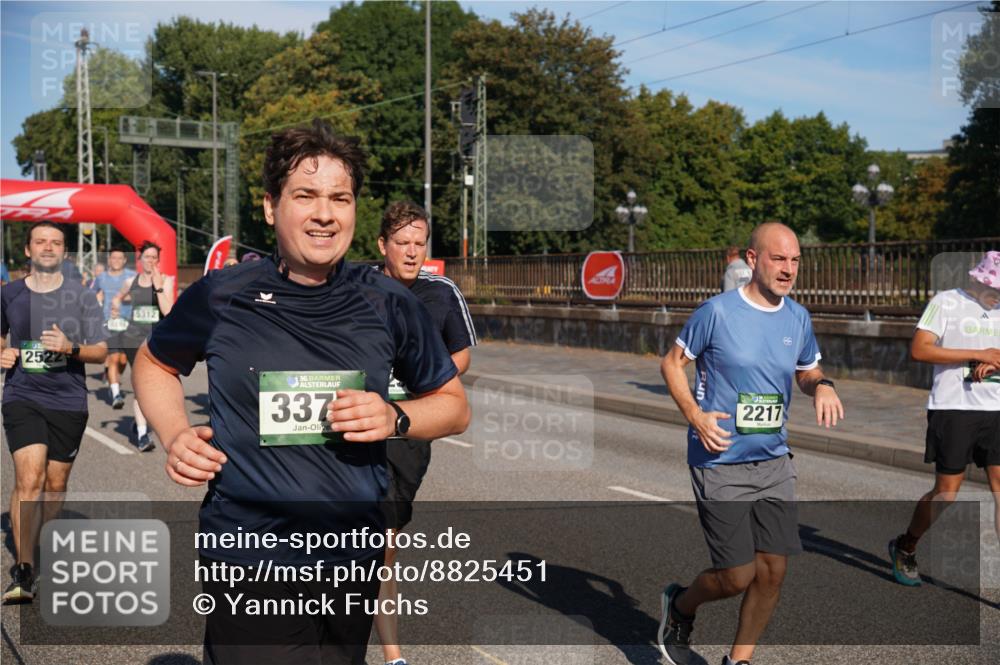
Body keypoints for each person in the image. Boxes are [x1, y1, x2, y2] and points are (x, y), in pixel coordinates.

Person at [132, 119, 470, 665]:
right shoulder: (223, 296)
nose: (324, 213)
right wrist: (174, 434)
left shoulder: (388, 302)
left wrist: (395, 418)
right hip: (250, 551)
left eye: (340, 197)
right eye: (305, 195)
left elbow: (454, 408)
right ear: (271, 207)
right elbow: (152, 363)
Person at [658, 222, 844, 665]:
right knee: (737, 575)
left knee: (773, 572)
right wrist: (695, 415)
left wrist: (823, 385)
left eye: (795, 260)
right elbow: (671, 363)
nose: (788, 269)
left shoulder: (797, 317)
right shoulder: (717, 312)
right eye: (779, 259)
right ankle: (682, 605)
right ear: (753, 259)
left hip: (774, 459)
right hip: (719, 458)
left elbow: (806, 370)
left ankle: (738, 660)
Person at [373, 201, 478, 665]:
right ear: (383, 245)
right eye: (403, 243)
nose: (413, 252)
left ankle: (388, 652)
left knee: (385, 543)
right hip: (356, 429)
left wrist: (426, 390)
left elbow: (462, 355)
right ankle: (392, 653)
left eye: (420, 243)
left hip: (409, 435)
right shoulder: (358, 287)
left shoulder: (441, 291)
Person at [1, 222, 108, 604]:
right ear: (27, 250)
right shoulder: (9, 294)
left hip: (67, 401)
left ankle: (46, 548)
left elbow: (100, 351)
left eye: (56, 242)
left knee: (55, 483)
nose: (48, 247)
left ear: (65, 251)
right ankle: (25, 569)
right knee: (29, 477)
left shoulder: (81, 297)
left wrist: (70, 348)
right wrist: (3, 354)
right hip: (21, 395)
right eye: (40, 241)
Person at [889, 250, 1000, 586]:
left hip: (996, 408)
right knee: (947, 493)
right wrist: (976, 353)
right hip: (954, 407)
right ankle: (907, 545)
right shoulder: (946, 302)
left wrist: (995, 362)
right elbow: (920, 349)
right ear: (976, 280)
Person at [110, 241, 174, 452]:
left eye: (154, 258)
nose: (151, 261)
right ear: (140, 259)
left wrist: (159, 286)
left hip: (156, 341)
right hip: (133, 340)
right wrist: (116, 306)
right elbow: (118, 297)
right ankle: (142, 434)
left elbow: (168, 311)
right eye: (147, 257)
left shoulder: (166, 281)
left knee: (155, 389)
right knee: (140, 387)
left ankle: (141, 421)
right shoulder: (131, 281)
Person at [92, 248, 136, 409]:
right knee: (114, 358)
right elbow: (91, 294)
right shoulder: (101, 277)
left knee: (123, 360)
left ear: (124, 260)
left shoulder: (131, 276)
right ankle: (116, 393)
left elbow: (139, 294)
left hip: (128, 322)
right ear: (109, 260)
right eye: (113, 258)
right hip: (109, 322)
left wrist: (125, 297)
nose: (116, 261)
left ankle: (114, 379)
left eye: (119, 258)